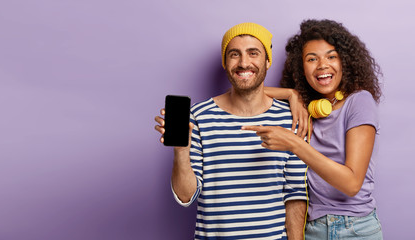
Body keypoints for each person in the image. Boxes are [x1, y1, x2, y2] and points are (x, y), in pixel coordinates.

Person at [155, 23, 308, 239]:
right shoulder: (199, 117)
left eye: (253, 53)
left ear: (267, 61)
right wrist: (181, 151)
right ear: (225, 63)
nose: (244, 62)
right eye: (234, 54)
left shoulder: (291, 119)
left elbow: (295, 196)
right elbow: (186, 196)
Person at [243, 19, 383, 239]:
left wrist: (294, 144)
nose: (322, 65)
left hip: (356, 228)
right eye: (311, 59)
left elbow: (352, 183)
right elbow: (246, 91)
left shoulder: (360, 102)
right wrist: (291, 94)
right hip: (313, 229)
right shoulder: (308, 110)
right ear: (301, 68)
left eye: (331, 56)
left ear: (345, 61)